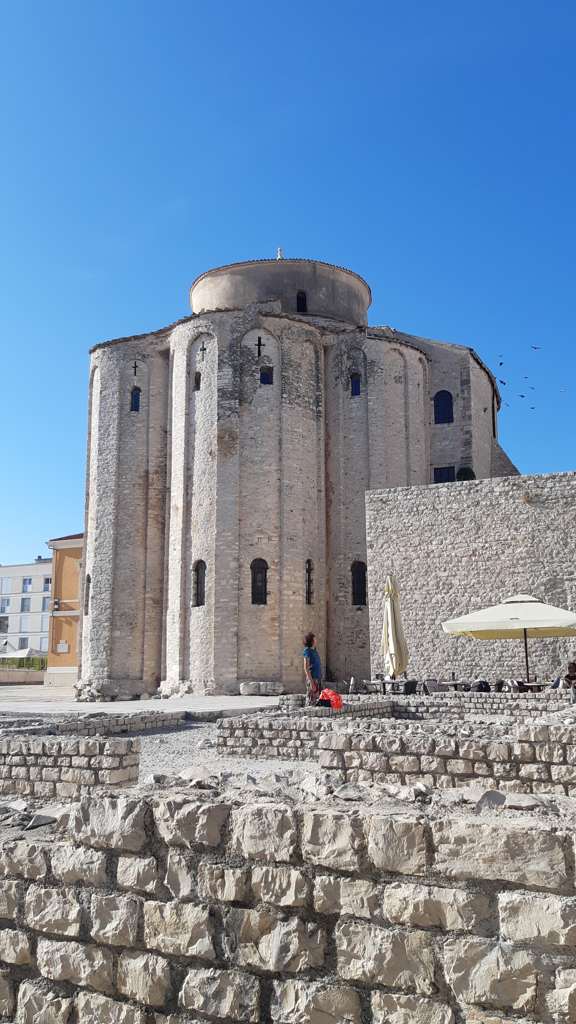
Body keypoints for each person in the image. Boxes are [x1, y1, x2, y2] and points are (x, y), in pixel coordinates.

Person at [302, 632, 322, 705]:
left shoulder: (314, 651)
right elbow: (306, 667)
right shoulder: (307, 651)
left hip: (317, 678)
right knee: (311, 700)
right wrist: (311, 682)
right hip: (312, 678)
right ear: (311, 640)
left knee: (317, 699)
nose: (316, 640)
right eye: (314, 639)